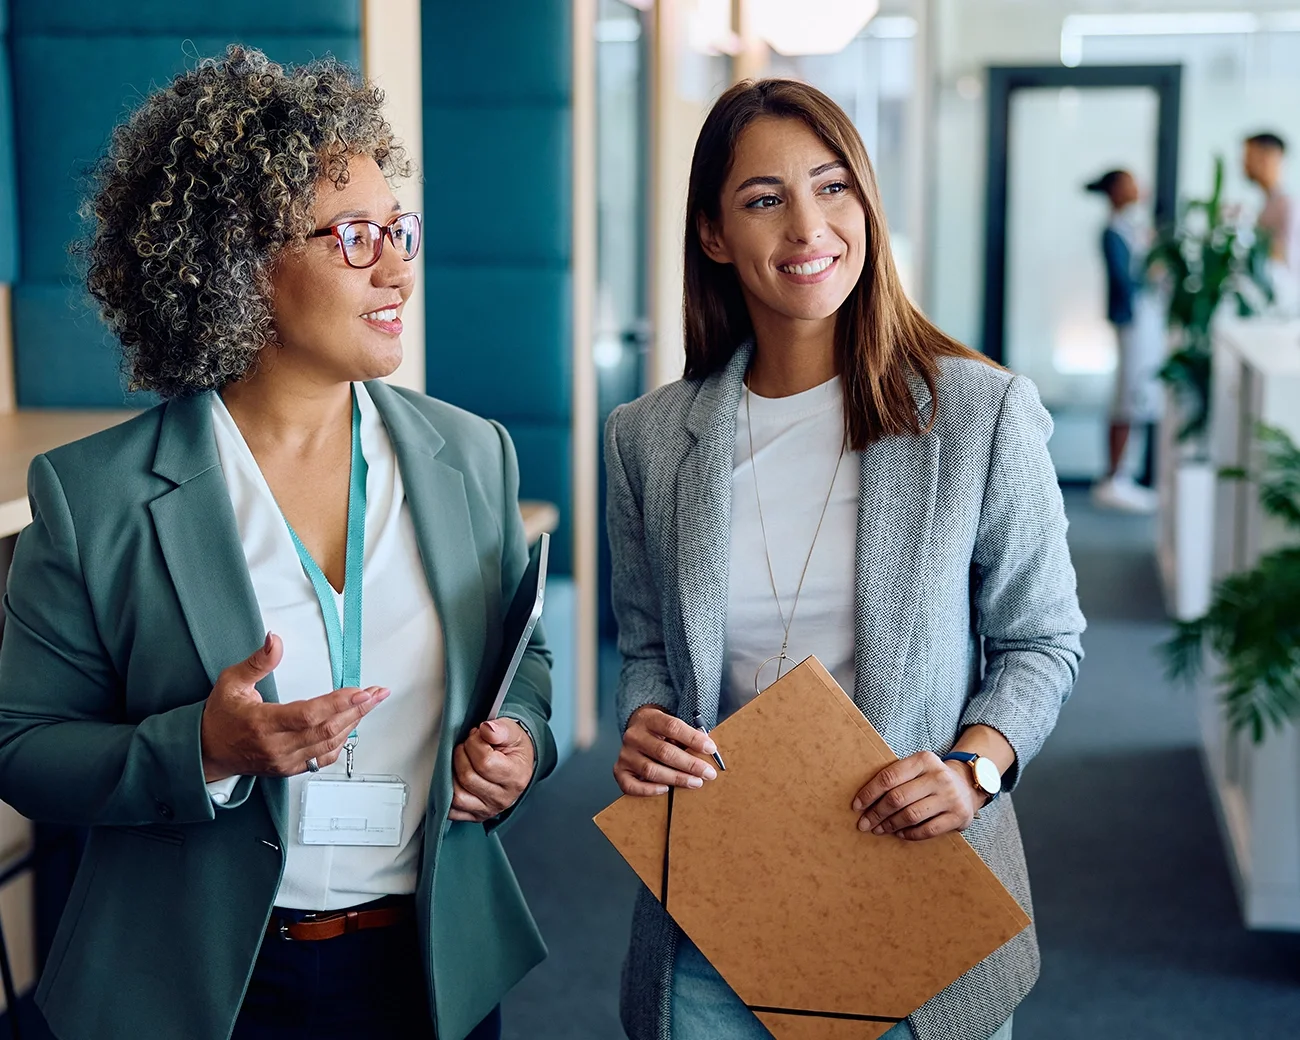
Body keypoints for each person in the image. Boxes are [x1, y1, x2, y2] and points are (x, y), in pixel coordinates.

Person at [0, 47, 554, 1040]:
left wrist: (525, 743)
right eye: (353, 236)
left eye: (400, 228)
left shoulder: (472, 456)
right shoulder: (98, 496)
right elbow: (23, 748)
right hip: (201, 987)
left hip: (430, 969)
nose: (396, 265)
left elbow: (527, 661)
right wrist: (201, 748)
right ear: (238, 262)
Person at [605, 79, 1085, 1040]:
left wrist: (974, 768)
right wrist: (645, 718)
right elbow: (649, 645)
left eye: (832, 188)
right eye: (763, 199)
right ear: (712, 235)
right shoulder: (649, 439)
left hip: (911, 896)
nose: (807, 226)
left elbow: (1042, 641)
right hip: (718, 907)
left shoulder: (977, 414)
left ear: (866, 203)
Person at [1084, 168, 1163, 514]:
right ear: (1117, 190)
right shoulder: (1113, 231)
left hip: (1143, 322)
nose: (1138, 187)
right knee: (1128, 393)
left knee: (1137, 392)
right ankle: (1116, 475)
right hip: (1132, 324)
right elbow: (1125, 280)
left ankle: (1124, 474)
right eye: (1130, 182)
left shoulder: (1133, 228)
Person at [1243, 131, 1300, 312]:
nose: (1244, 164)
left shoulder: (1287, 206)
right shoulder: (1267, 205)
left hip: (1285, 306)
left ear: (1270, 157)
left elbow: (1284, 259)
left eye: (1249, 156)